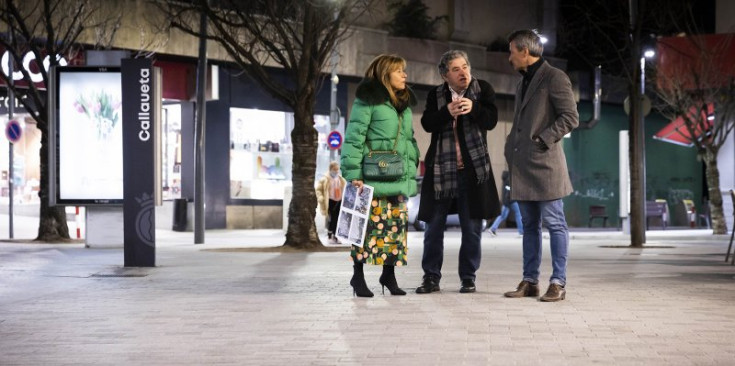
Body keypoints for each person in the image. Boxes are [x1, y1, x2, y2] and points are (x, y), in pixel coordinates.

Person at [415, 50, 500, 294]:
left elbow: (491, 121)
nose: (463, 72)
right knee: (433, 228)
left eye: (465, 66)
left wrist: (473, 108)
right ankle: (431, 277)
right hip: (441, 171)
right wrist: (446, 113)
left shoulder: (483, 89)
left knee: (472, 228)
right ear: (444, 75)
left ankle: (468, 277)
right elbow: (427, 123)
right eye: (456, 69)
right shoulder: (436, 95)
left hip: (473, 172)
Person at [503, 29, 579, 302]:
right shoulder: (522, 82)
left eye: (512, 50)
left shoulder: (555, 77)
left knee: (555, 223)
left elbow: (571, 117)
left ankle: (558, 282)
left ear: (525, 51)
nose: (509, 56)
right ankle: (530, 281)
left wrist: (542, 139)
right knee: (530, 226)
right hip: (522, 166)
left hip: (545, 163)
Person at [341, 54, 420, 297]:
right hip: (371, 179)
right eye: (399, 71)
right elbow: (354, 138)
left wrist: (414, 158)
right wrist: (353, 173)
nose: (404, 75)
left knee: (394, 230)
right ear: (386, 74)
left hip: (397, 177)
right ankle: (358, 276)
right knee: (366, 230)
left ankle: (389, 275)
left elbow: (409, 138)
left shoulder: (402, 105)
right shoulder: (368, 101)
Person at [315, 161, 346, 244]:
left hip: (339, 201)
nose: (336, 171)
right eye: (334, 169)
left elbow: (345, 188)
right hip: (330, 201)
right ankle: (330, 236)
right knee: (331, 219)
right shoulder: (325, 179)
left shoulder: (340, 179)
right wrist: (321, 197)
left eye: (337, 169)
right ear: (330, 169)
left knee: (337, 219)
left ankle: (335, 236)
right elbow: (318, 189)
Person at [488, 170, 523, 237]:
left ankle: (493, 229)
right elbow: (509, 191)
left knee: (502, 216)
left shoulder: (505, 180)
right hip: (511, 200)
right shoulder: (510, 179)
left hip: (506, 201)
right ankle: (521, 231)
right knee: (518, 214)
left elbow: (506, 191)